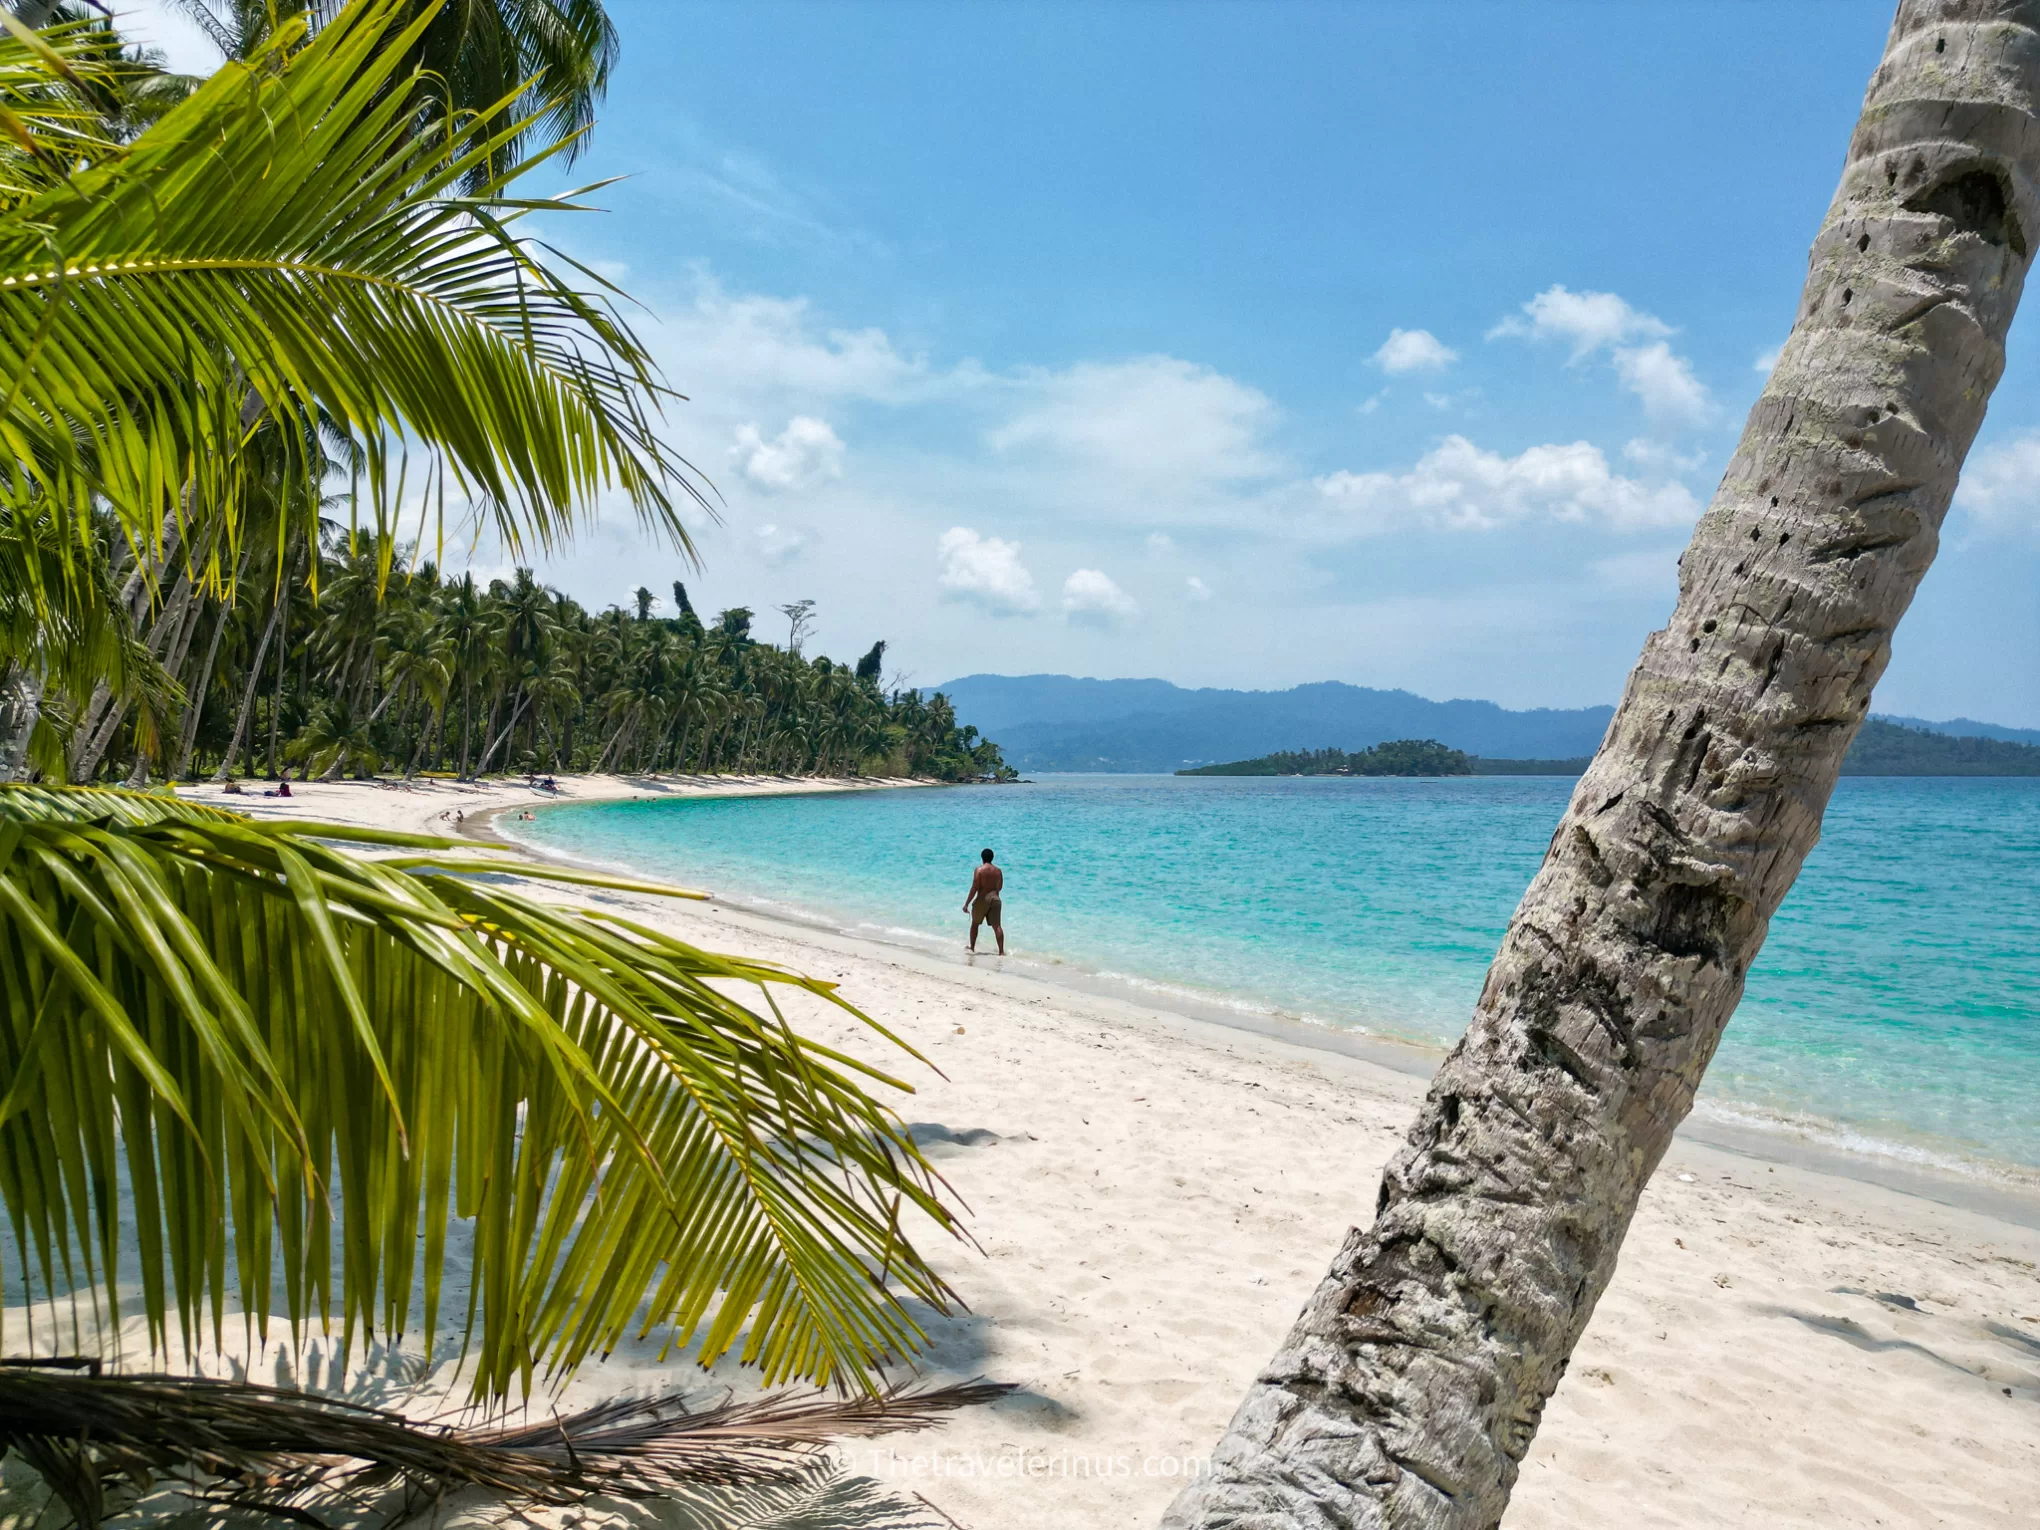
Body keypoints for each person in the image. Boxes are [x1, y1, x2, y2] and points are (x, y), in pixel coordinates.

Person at [963, 847, 1005, 955]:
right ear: (992, 858)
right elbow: (999, 887)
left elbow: (974, 887)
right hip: (995, 899)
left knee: (975, 924)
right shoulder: (998, 871)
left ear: (982, 858)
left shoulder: (979, 870)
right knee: (997, 926)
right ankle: (1001, 952)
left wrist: (966, 903)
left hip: (982, 899)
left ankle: (972, 947)